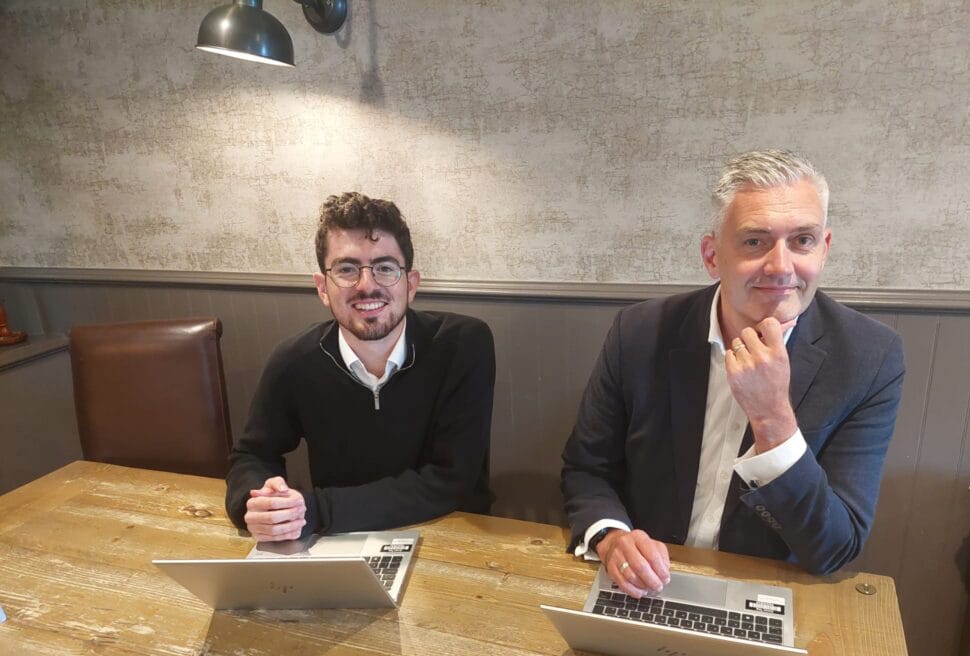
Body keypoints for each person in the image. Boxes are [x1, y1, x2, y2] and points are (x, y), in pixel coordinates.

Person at [561, 149, 904, 596]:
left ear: (824, 248)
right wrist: (610, 536)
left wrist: (773, 419)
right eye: (754, 241)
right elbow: (587, 468)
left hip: (768, 596)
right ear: (711, 255)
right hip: (642, 587)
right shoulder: (640, 331)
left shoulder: (869, 356)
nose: (781, 267)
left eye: (802, 240)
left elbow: (834, 547)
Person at [226, 192, 495, 541]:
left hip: (453, 536)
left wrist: (314, 510)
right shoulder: (294, 361)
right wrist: (259, 504)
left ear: (410, 284)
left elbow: (451, 481)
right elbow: (251, 455)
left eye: (385, 268)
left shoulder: (463, 344)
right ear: (323, 288)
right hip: (340, 542)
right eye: (347, 269)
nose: (367, 286)